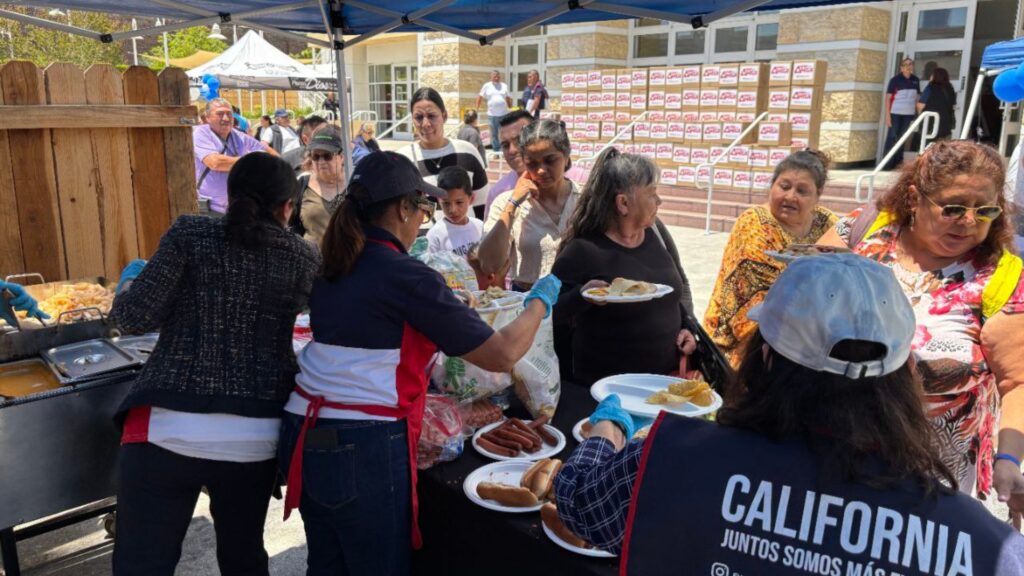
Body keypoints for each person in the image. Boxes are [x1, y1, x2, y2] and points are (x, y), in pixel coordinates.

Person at [553, 254, 1024, 575]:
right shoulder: (978, 544)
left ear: (765, 358)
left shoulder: (668, 459)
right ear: (906, 374)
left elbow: (578, 500)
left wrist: (606, 431)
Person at [277, 151, 560, 576]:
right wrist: (538, 302)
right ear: (403, 208)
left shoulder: (337, 263)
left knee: (328, 564)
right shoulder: (406, 274)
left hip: (305, 432)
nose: (423, 220)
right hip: (362, 443)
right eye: (424, 207)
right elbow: (501, 354)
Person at [109, 153, 321, 576]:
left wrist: (130, 282)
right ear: (287, 207)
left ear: (229, 196)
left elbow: (131, 318)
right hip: (254, 438)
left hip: (164, 428)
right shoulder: (302, 256)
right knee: (243, 559)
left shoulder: (190, 233)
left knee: (141, 565)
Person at [818, 140, 1024, 508]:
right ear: (914, 198)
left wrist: (1008, 459)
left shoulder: (1001, 278)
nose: (969, 221)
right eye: (953, 208)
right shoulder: (863, 232)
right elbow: (804, 302)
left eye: (985, 210)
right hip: (830, 451)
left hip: (930, 483)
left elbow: (1017, 382)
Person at [551, 148, 696, 384]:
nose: (659, 201)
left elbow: (676, 288)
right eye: (652, 193)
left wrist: (688, 328)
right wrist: (581, 296)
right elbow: (546, 313)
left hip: (664, 385)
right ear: (623, 203)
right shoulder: (582, 251)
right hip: (608, 391)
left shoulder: (656, 233)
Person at [704, 150, 836, 367]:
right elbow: (758, 298)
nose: (790, 197)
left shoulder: (827, 222)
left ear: (817, 195)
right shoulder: (755, 224)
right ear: (772, 185)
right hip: (748, 343)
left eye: (802, 191)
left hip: (807, 336)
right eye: (784, 186)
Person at [479, 119, 580, 292]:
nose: (541, 170)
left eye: (550, 160)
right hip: (527, 301)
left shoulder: (586, 200)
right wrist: (513, 204)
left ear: (566, 155)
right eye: (532, 163)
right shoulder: (506, 202)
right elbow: (489, 264)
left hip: (578, 299)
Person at [398, 87, 489, 219]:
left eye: (431, 116)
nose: (426, 124)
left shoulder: (468, 152)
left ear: (444, 116)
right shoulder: (402, 161)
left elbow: (482, 206)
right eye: (419, 117)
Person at [193, 98, 276, 216]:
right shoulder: (201, 133)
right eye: (220, 114)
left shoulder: (239, 135)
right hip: (210, 210)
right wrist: (253, 161)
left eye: (229, 114)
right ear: (207, 117)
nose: (226, 118)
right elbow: (215, 162)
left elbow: (270, 155)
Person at [290, 127, 346, 246]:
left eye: (327, 156)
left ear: (342, 157)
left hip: (351, 257)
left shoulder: (354, 185)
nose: (321, 161)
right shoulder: (302, 184)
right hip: (311, 256)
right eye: (315, 156)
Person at [484, 110, 534, 220]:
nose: (512, 150)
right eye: (506, 145)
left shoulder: (572, 178)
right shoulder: (497, 193)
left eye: (519, 140)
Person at [426, 166, 483, 256]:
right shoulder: (435, 236)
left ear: (471, 199)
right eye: (446, 203)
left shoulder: (480, 227)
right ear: (439, 200)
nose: (452, 210)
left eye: (459, 202)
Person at [883, 57, 921, 170]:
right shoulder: (895, 80)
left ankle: (898, 164)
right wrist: (887, 115)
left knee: (902, 138)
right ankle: (886, 164)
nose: (908, 66)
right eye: (905, 64)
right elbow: (888, 98)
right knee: (892, 137)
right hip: (895, 113)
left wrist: (917, 113)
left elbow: (917, 98)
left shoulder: (916, 80)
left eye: (910, 64)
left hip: (908, 114)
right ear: (901, 67)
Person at [475, 70, 512, 153]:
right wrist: (477, 108)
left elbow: (507, 98)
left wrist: (510, 108)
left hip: (503, 114)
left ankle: (504, 149)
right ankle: (496, 151)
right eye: (494, 76)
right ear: (491, 77)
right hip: (492, 114)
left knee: (503, 133)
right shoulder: (487, 86)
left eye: (498, 76)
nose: (496, 78)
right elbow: (480, 97)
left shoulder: (504, 86)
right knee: (494, 134)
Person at [917, 67, 956, 141]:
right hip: (946, 124)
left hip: (930, 124)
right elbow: (952, 104)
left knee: (928, 145)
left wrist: (919, 114)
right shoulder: (950, 89)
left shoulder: (930, 88)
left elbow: (921, 105)